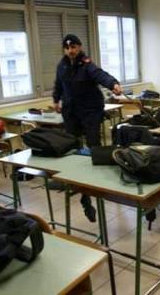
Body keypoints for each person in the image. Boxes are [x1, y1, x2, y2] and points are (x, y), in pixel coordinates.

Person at [52, 34, 122, 221]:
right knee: (72, 144)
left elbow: (101, 75)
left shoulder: (86, 63)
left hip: (90, 110)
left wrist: (113, 84)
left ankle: (95, 182)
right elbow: (59, 84)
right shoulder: (62, 65)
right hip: (71, 111)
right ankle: (75, 180)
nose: (71, 50)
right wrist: (56, 100)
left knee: (93, 145)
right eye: (67, 48)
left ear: (79, 47)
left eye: (74, 47)